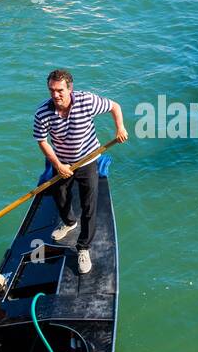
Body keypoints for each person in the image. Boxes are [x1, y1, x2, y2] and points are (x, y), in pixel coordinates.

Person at [32, 68, 128, 275]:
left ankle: (83, 247)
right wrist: (58, 165)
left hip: (87, 159)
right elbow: (42, 141)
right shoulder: (42, 112)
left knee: (88, 204)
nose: (55, 95)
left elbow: (115, 106)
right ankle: (68, 222)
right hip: (63, 163)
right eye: (51, 90)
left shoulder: (87, 101)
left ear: (70, 88)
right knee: (60, 196)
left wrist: (120, 128)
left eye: (59, 90)